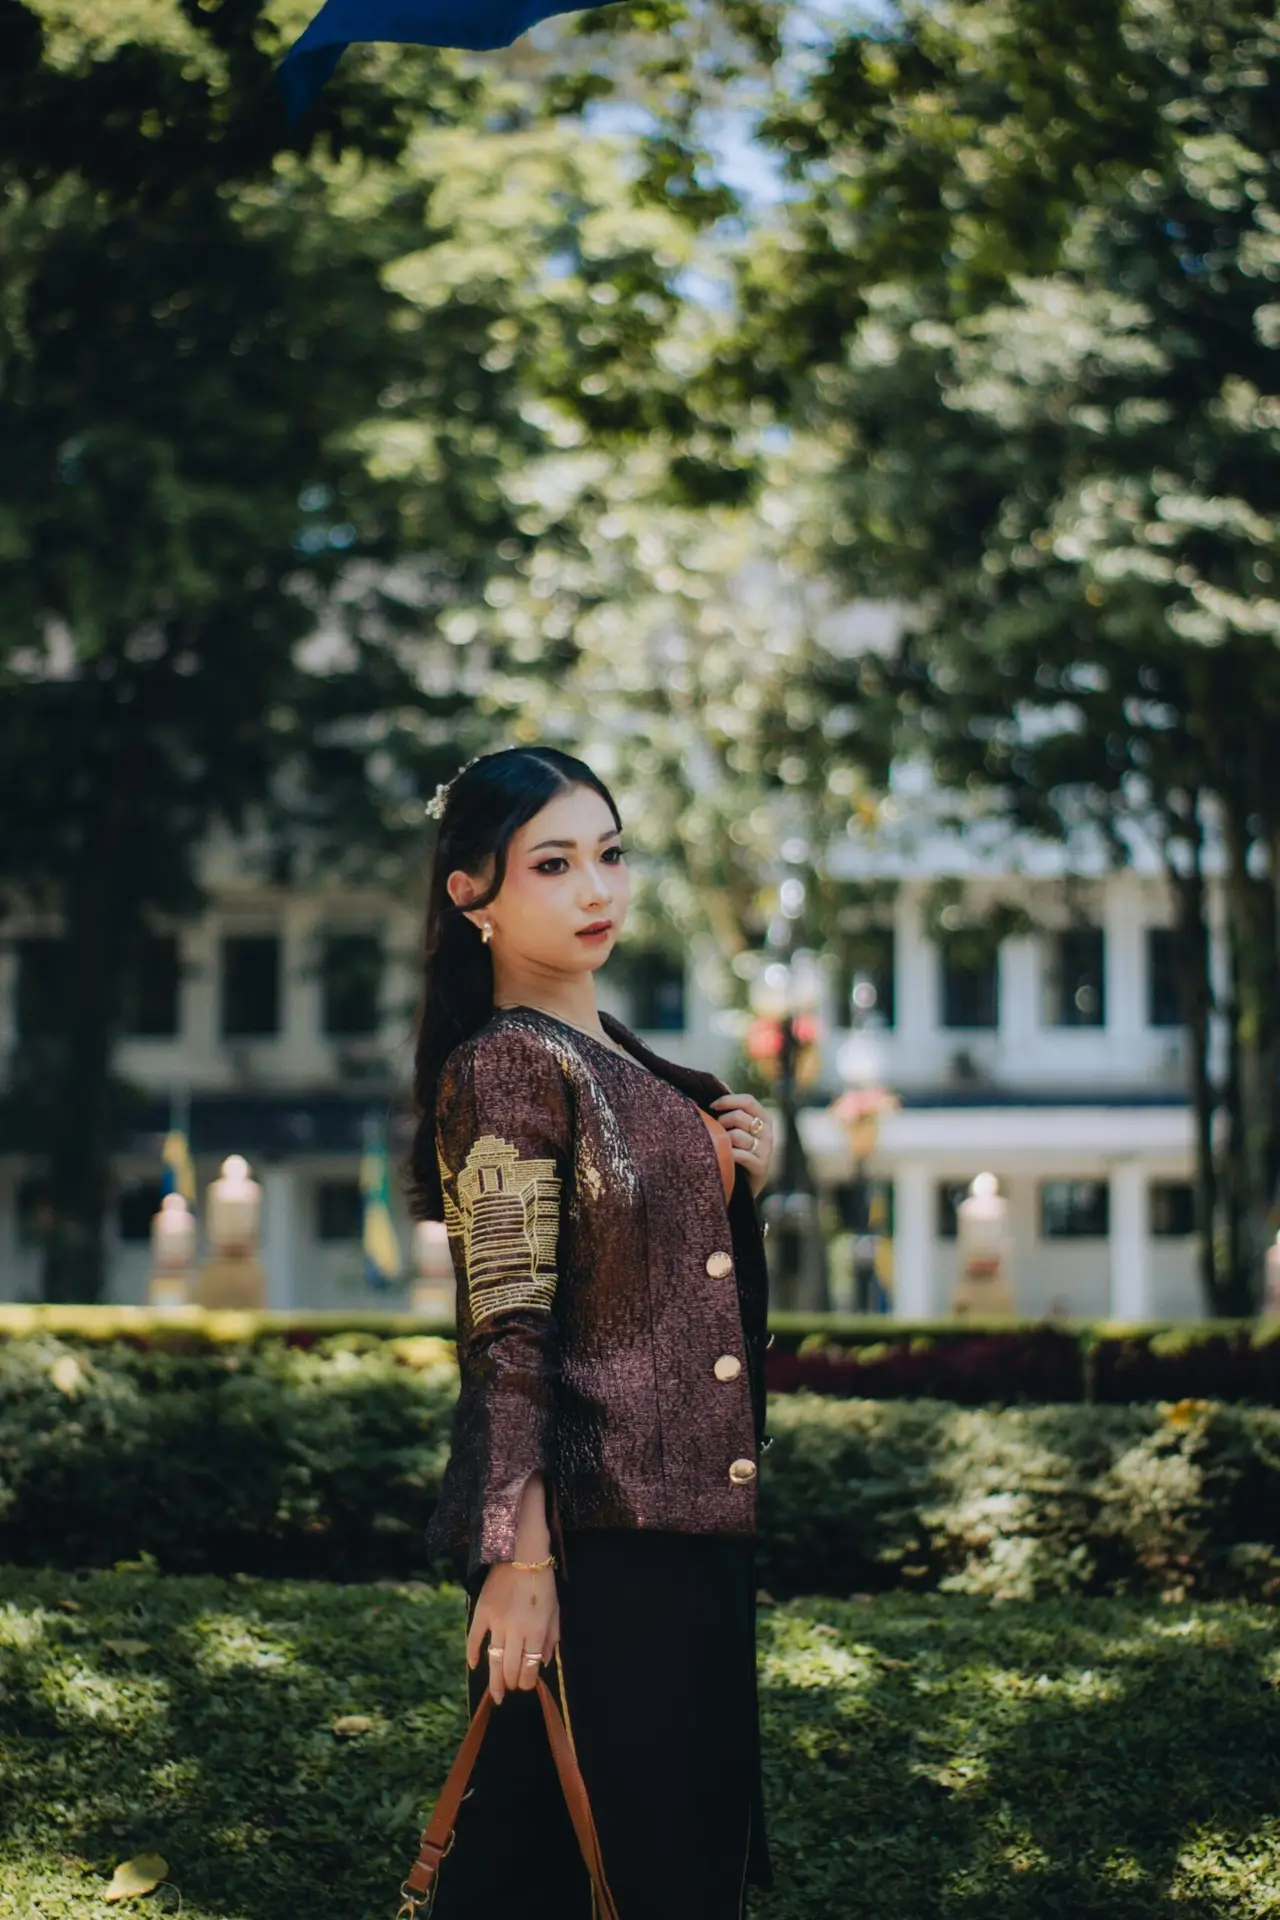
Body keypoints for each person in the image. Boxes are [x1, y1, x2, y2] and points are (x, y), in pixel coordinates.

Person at [407, 744, 777, 1919]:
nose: (596, 890)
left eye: (609, 855)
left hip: (689, 1540)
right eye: (552, 864)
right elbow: (507, 1329)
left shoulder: (626, 1058)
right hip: (595, 1552)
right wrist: (519, 1564)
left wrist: (732, 1187)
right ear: (470, 893)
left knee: (670, 1864)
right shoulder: (510, 1065)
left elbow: (665, 1293)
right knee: (590, 1867)